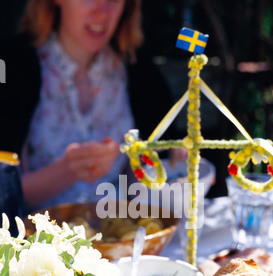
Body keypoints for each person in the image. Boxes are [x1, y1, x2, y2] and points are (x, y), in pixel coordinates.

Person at [0, 0, 174, 211]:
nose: (102, 11)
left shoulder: (139, 71)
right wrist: (68, 169)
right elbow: (5, 190)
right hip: (35, 239)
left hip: (117, 234)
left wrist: (178, 172)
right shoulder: (11, 67)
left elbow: (141, 186)